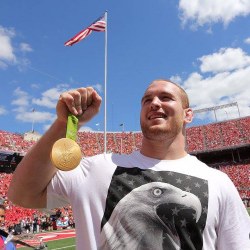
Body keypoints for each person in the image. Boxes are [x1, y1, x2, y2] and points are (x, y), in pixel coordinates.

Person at [8, 79, 250, 249]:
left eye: (165, 97)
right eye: (147, 100)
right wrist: (64, 124)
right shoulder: (96, 169)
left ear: (188, 114)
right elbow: (22, 194)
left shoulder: (219, 182)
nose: (154, 102)